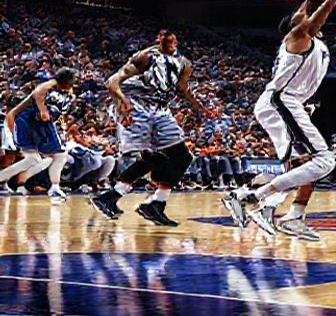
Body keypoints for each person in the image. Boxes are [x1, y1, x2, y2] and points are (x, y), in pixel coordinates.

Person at [223, 0, 336, 240]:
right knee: (323, 161)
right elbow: (325, 7)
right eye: (302, 12)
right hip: (280, 102)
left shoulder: (311, 40)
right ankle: (255, 198)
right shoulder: (298, 35)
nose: (305, 11)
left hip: (288, 102)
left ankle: (280, 209)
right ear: (294, 24)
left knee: (300, 165)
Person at [89, 30, 204, 226]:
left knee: (182, 157)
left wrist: (201, 108)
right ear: (159, 41)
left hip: (160, 109)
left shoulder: (184, 64)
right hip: (135, 105)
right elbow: (113, 82)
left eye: (174, 40)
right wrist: (122, 101)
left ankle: (153, 204)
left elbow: (183, 89)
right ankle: (111, 196)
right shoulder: (146, 57)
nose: (172, 43)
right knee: (153, 157)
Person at [0, 67, 78, 204]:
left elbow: (58, 112)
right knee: (36, 158)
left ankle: (54, 187)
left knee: (55, 156)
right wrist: (42, 110)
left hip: (43, 124)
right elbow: (38, 93)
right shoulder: (49, 85)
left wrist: (60, 123)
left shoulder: (67, 93)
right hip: (27, 121)